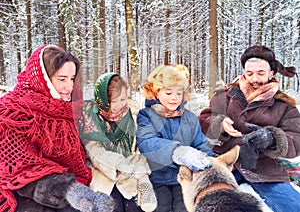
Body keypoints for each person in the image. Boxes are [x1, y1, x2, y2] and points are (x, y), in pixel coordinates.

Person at [0, 44, 114, 212]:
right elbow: (17, 166)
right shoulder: (12, 111)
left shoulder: (69, 109)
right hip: (21, 191)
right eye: (62, 79)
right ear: (42, 78)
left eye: (72, 79)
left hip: (65, 183)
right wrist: (68, 190)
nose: (69, 87)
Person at [199, 45, 300, 212]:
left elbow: (297, 138)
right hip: (225, 163)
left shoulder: (284, 106)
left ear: (271, 73)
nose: (255, 78)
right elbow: (202, 123)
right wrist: (219, 123)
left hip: (264, 168)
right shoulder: (224, 97)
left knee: (295, 207)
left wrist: (272, 138)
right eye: (249, 73)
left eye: (261, 73)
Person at [136, 64, 212, 212]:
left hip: (184, 178)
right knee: (160, 206)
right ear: (156, 92)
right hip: (156, 177)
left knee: (184, 207)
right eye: (168, 93)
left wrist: (205, 160)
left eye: (179, 93)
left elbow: (201, 144)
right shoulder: (146, 115)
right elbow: (146, 142)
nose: (174, 98)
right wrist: (177, 152)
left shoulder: (189, 118)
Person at [79, 72, 157, 212]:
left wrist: (138, 169)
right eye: (114, 101)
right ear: (103, 99)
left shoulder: (131, 113)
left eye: (123, 99)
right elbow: (94, 150)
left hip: (131, 166)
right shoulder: (91, 116)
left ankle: (144, 183)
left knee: (134, 205)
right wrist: (118, 162)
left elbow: (138, 144)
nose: (120, 105)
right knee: (112, 205)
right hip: (103, 169)